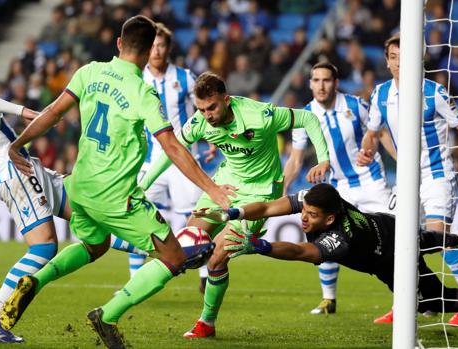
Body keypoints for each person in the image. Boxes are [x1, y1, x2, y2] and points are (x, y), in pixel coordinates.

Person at [0, 16, 233, 349]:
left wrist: (17, 143)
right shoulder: (142, 93)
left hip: (79, 188)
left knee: (96, 246)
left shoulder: (88, 72)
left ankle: (34, 281)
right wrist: (212, 190)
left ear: (120, 43)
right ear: (150, 47)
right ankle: (107, 315)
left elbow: (52, 112)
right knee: (174, 258)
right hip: (116, 196)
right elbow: (171, 146)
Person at [195, 183, 458, 341]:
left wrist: (261, 246)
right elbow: (271, 206)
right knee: (420, 241)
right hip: (389, 226)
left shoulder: (341, 241)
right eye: (304, 211)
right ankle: (456, 240)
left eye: (312, 216)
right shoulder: (321, 198)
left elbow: (305, 253)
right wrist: (233, 212)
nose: (304, 218)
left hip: (390, 256)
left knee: (433, 299)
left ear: (330, 220)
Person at [139, 71, 331, 338]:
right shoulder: (201, 122)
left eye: (212, 107)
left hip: (261, 194)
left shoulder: (259, 116)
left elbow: (307, 118)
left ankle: (206, 322)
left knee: (218, 256)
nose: (208, 115)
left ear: (226, 100)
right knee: (188, 239)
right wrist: (144, 184)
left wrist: (322, 157)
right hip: (225, 187)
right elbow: (172, 149)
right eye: (202, 109)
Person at [358, 34, 458, 326]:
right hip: (406, 178)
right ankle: (411, 301)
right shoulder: (380, 94)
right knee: (394, 242)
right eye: (395, 57)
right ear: (388, 61)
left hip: (437, 176)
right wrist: (367, 150)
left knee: (438, 239)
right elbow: (373, 132)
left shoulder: (434, 92)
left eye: (407, 56)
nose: (401, 62)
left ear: (419, 59)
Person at [0, 21, 54, 344]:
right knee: (44, 246)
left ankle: (166, 253)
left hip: (18, 162)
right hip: (7, 165)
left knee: (84, 210)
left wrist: (23, 111)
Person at [283, 61, 394, 315]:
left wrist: (404, 163)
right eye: (316, 81)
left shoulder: (356, 106)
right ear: (310, 84)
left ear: (336, 83)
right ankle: (328, 299)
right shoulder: (305, 116)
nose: (321, 86)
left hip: (371, 182)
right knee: (327, 238)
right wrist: (283, 186)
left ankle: (410, 299)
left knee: (398, 240)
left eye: (327, 80)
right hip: (336, 188)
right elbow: (296, 160)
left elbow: (381, 134)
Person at [109, 22, 210, 292]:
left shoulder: (186, 77)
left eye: (161, 45)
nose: (156, 50)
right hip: (148, 160)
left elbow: (204, 110)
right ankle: (134, 278)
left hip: (181, 158)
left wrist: (210, 139)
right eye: (152, 45)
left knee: (194, 214)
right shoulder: (135, 78)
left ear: (168, 48)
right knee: (135, 215)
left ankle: (203, 275)